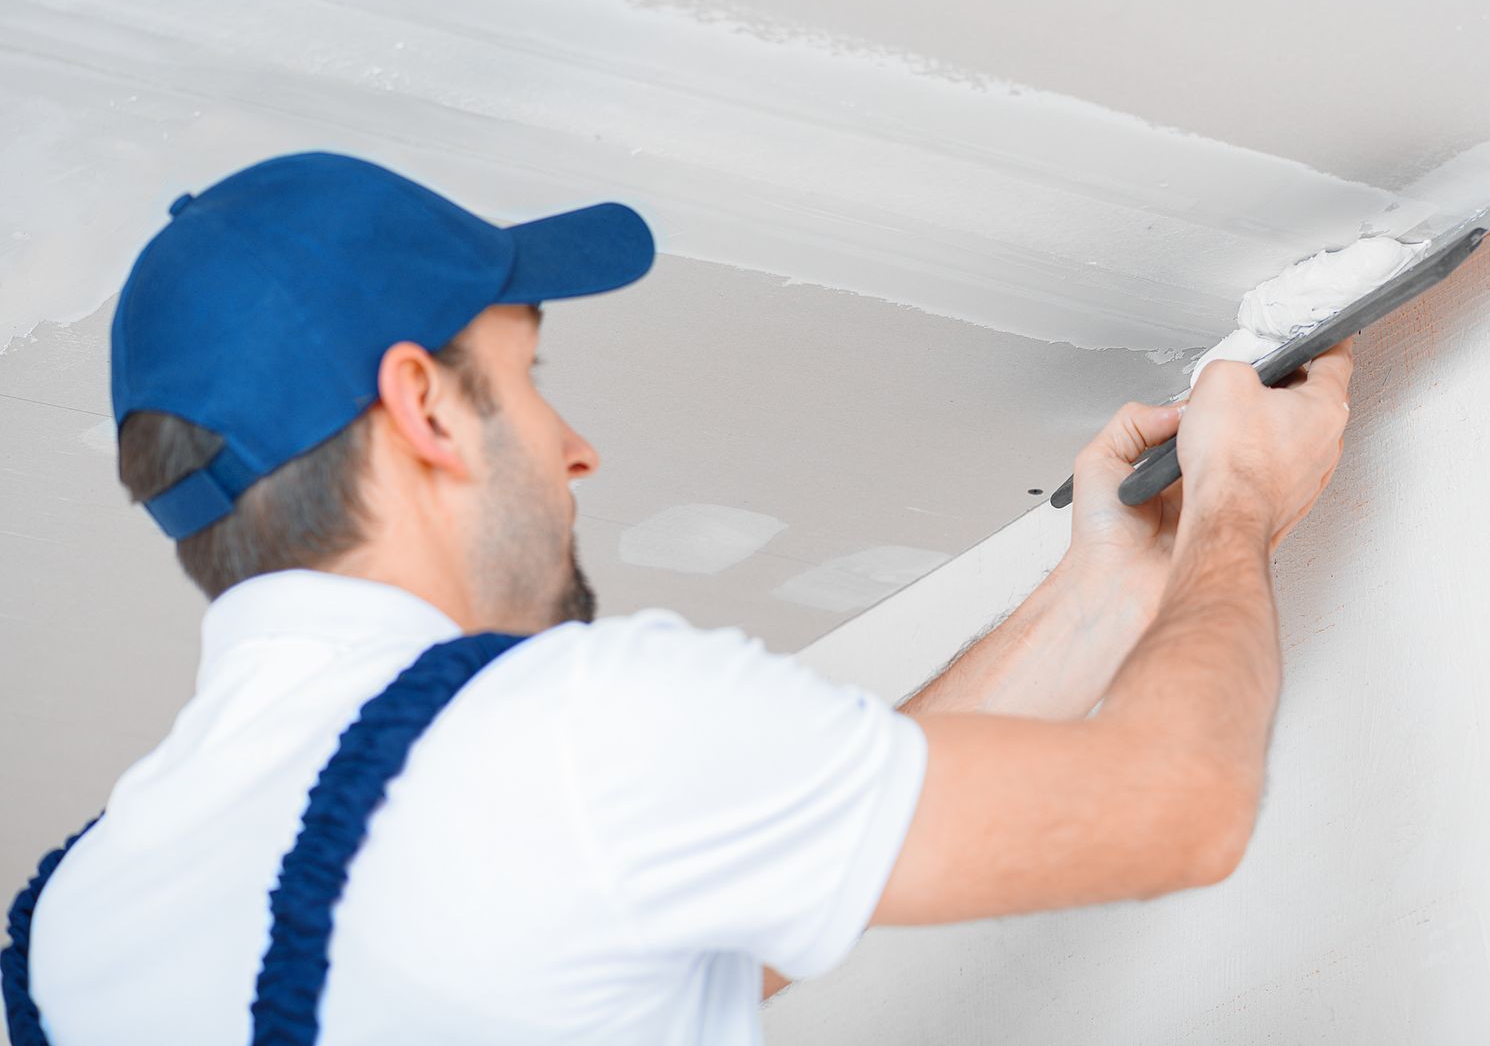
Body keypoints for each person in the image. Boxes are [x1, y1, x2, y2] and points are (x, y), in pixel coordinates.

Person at [1, 152, 1355, 1045]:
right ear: (423, 403)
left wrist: (1096, 593)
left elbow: (719, 898)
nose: (574, 445)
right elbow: (1179, 808)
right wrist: (1239, 503)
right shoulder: (566, 735)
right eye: (528, 377)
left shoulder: (69, 931)